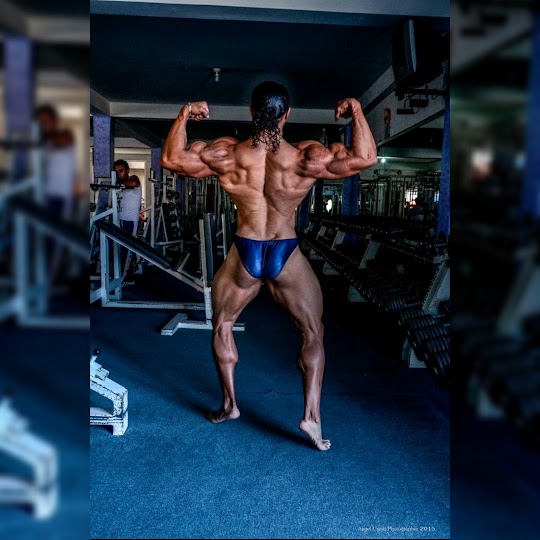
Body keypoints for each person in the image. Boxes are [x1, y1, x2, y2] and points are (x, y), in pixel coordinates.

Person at [161, 81, 377, 451]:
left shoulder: (227, 154)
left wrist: (183, 114)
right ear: (287, 114)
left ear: (251, 112)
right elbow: (365, 158)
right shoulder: (306, 157)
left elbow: (171, 159)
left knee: (222, 324)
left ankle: (229, 405)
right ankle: (311, 417)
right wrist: (356, 110)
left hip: (245, 249)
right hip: (284, 250)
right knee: (312, 331)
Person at [35, 104, 77, 281]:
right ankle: (45, 274)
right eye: (40, 122)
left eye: (45, 121)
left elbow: (58, 139)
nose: (43, 125)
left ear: (54, 121)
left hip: (62, 197)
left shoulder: (64, 136)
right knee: (41, 237)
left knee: (57, 238)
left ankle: (55, 276)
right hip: (44, 196)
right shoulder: (42, 143)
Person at [113, 159, 142, 283]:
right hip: (120, 220)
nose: (119, 174)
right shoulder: (118, 186)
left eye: (121, 171)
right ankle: (124, 271)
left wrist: (119, 183)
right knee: (119, 248)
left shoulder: (133, 180)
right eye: (116, 172)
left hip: (131, 221)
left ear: (127, 170)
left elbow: (135, 182)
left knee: (127, 248)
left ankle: (126, 276)